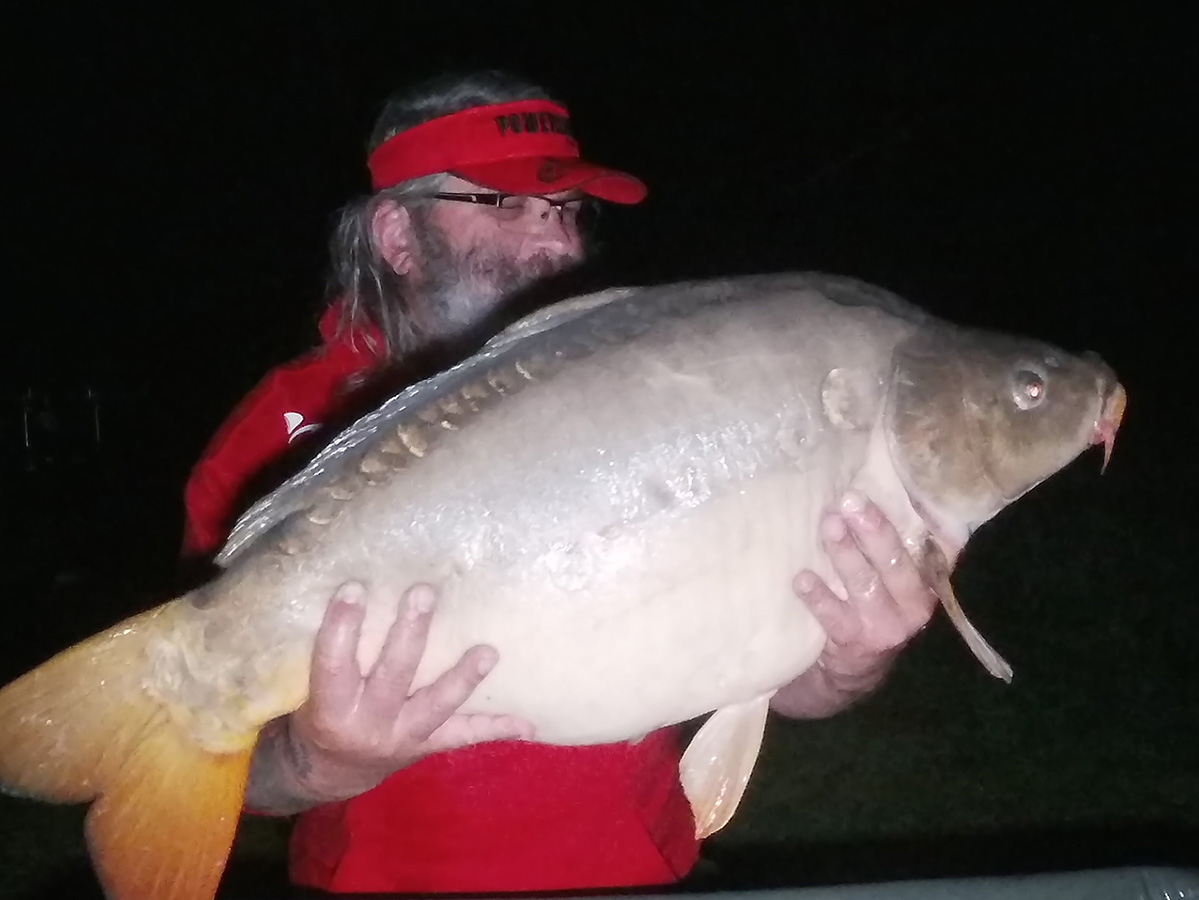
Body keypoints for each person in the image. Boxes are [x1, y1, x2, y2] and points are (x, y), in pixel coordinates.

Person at [181, 69, 939, 896]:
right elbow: (218, 765)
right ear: (398, 237)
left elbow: (776, 676)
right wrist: (319, 762)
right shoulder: (274, 443)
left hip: (645, 874)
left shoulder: (659, 389)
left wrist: (851, 661)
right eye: (504, 205)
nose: (557, 244)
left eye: (568, 211)